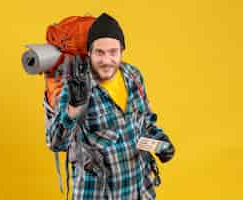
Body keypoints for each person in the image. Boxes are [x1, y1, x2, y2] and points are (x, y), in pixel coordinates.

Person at [43, 12, 175, 200]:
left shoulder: (132, 76)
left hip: (139, 190)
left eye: (113, 52)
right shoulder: (77, 87)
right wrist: (72, 109)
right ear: (89, 52)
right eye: (100, 52)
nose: (106, 60)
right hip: (98, 194)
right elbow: (55, 143)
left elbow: (143, 124)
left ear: (122, 50)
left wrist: (161, 143)